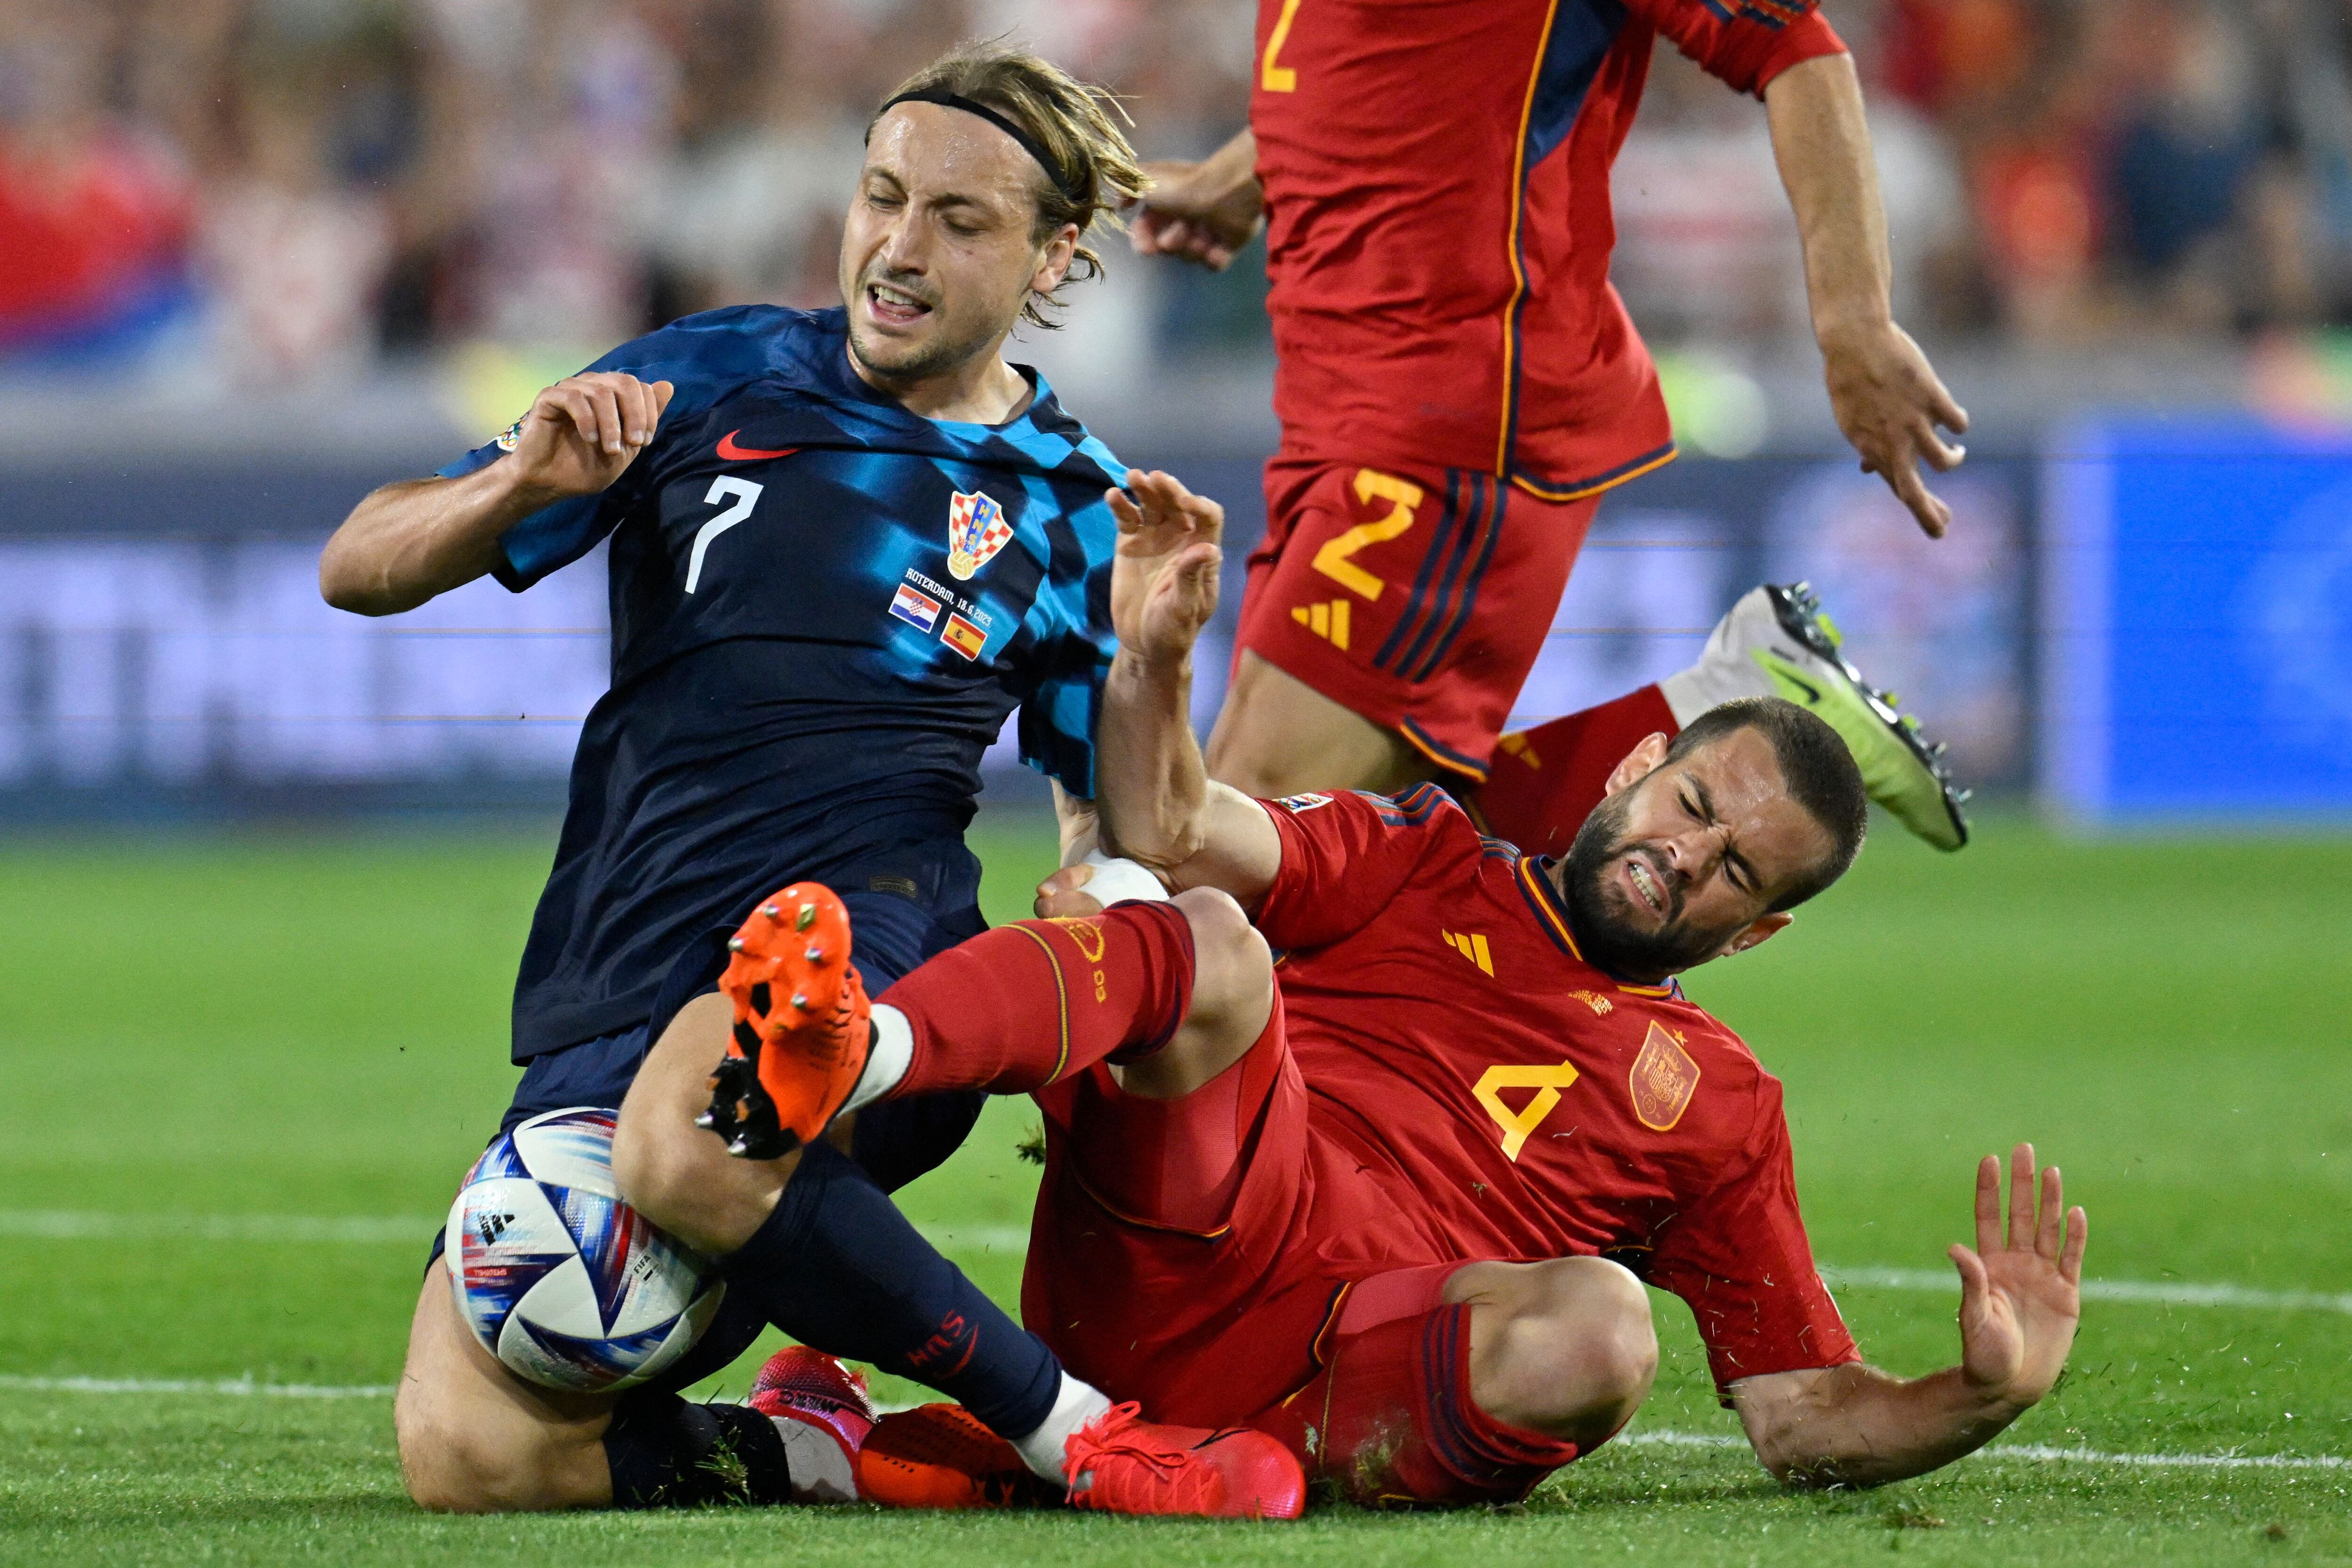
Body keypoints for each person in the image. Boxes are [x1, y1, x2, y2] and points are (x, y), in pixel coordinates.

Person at [319, 40, 1291, 1520]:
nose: (898, 250)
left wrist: (1153, 661)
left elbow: (1143, 828)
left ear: (1052, 258)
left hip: (870, 945)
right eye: (882, 198)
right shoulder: (705, 373)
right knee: (472, 1454)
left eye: (961, 221)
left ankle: (1077, 1434)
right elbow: (359, 563)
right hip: (621, 969)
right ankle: (812, 1442)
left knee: (684, 1132)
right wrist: (515, 487)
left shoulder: (1081, 503)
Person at [675, 497, 2085, 1503]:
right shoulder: (1417, 857)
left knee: (1605, 1327)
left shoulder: (1719, 1108)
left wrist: (1976, 1396)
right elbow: (1173, 821)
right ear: (1632, 764)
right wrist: (1158, 656)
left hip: (1353, 1378)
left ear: (1759, 931)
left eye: (1733, 870)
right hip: (1186, 1236)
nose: (1684, 856)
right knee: (1194, 927)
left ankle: (1183, 1461)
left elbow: (1799, 1417)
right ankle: (859, 1051)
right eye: (1693, 803)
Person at [1130, 0, 1974, 852]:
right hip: (1337, 405)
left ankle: (1730, 705)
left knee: (1245, 834)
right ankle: (1719, 700)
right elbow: (1393, 57)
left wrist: (1854, 319)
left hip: (1453, 417)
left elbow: (1796, 44)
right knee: (1356, 850)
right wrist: (1244, 174)